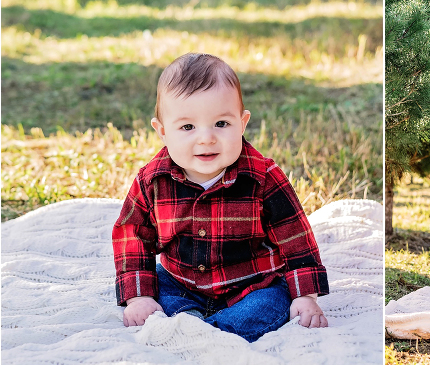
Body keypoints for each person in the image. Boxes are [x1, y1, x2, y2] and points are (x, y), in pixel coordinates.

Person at [112, 53, 329, 342]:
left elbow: (296, 238)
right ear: (162, 132)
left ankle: (212, 332)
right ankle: (187, 318)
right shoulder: (152, 180)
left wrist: (306, 295)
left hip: (252, 286)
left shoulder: (263, 177)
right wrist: (138, 296)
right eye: (187, 127)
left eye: (221, 124)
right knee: (157, 286)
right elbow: (132, 235)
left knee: (274, 302)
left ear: (242, 123)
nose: (206, 138)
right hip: (182, 282)